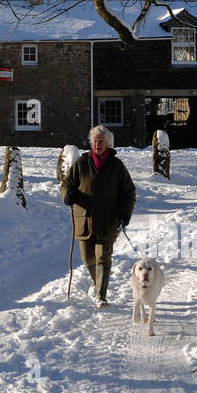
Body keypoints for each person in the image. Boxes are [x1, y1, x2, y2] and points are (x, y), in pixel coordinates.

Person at [62, 125, 136, 308]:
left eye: (101, 141)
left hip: (108, 220)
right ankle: (98, 282)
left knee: (103, 257)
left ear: (108, 143)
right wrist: (67, 194)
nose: (97, 144)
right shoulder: (81, 163)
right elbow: (67, 183)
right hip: (84, 219)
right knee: (88, 259)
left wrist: (125, 214)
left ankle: (101, 295)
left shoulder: (117, 166)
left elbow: (129, 192)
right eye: (94, 141)